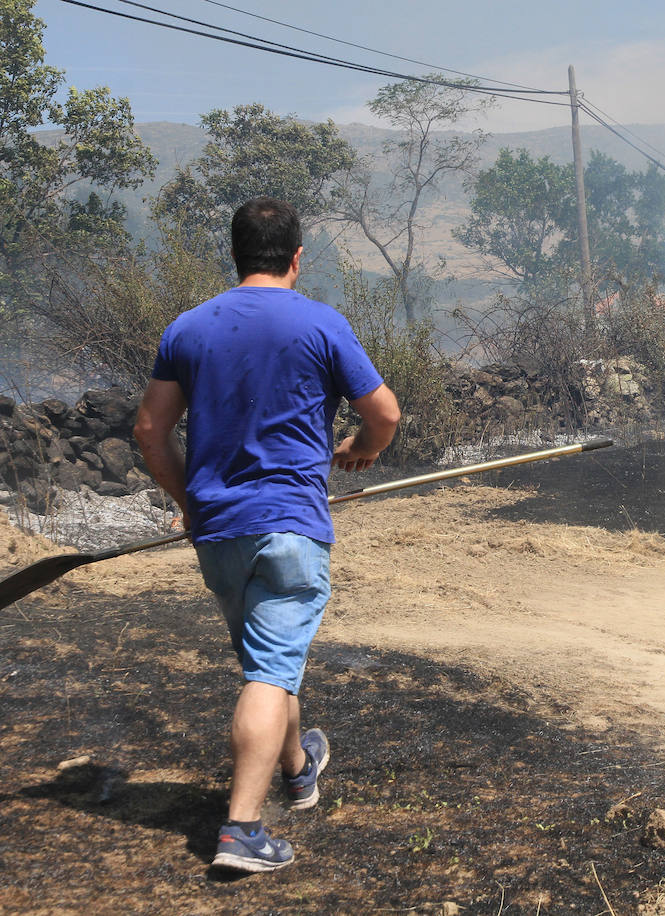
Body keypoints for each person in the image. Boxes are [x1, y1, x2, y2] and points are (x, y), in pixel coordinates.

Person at [134, 197, 401, 872]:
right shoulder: (320, 323)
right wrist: (362, 448)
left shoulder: (189, 328)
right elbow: (385, 413)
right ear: (297, 257)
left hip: (220, 536)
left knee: (270, 660)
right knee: (268, 671)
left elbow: (148, 431)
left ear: (235, 253)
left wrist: (187, 502)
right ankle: (242, 831)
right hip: (288, 529)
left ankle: (297, 766)